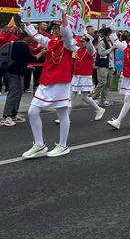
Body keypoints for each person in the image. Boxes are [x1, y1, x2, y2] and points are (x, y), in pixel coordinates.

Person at [21, 10, 78, 158]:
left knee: (62, 113)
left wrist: (64, 14)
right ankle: (39, 145)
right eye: (55, 27)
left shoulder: (70, 44)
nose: (56, 29)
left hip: (61, 82)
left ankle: (63, 145)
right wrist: (25, 19)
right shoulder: (51, 41)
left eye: (60, 26)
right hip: (46, 81)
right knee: (32, 112)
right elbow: (36, 35)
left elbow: (67, 34)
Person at [0, 31, 36, 126]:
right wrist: (41, 54)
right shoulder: (23, 46)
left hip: (16, 72)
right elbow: (30, 59)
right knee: (13, 94)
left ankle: (13, 114)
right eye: (32, 36)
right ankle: (6, 117)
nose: (34, 38)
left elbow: (20, 59)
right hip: (14, 73)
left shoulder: (16, 43)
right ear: (27, 37)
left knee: (18, 93)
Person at [69, 34, 105, 121]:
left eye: (83, 41)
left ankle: (99, 109)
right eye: (80, 41)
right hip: (76, 76)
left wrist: (88, 39)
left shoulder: (90, 51)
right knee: (71, 96)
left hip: (85, 76)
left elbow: (90, 46)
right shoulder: (78, 50)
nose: (81, 42)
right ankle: (65, 117)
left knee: (84, 97)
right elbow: (70, 45)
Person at [92, 29, 114, 107]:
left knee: (108, 83)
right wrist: (111, 49)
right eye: (111, 33)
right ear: (107, 34)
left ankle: (103, 100)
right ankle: (92, 98)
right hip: (103, 65)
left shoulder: (111, 42)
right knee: (102, 82)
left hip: (110, 65)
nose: (113, 35)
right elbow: (101, 53)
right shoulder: (102, 42)